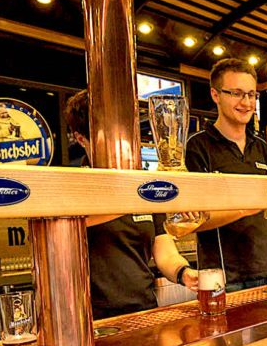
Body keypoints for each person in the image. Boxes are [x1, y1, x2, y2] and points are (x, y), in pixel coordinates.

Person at [65, 90, 198, 320]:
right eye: (107, 135)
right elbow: (70, 224)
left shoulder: (142, 186)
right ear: (81, 138)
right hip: (91, 319)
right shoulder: (73, 188)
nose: (121, 143)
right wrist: (136, 196)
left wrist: (183, 272)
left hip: (144, 309)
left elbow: (164, 251)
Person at [185, 58, 267, 292]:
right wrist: (246, 207)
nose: (246, 102)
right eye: (236, 93)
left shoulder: (262, 147)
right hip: (222, 277)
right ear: (215, 95)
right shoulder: (198, 146)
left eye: (251, 94)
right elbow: (191, 220)